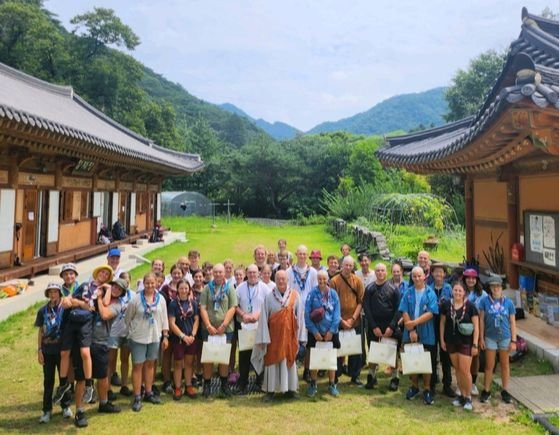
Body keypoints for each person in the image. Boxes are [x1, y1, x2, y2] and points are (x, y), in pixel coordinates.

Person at [54, 264, 113, 406]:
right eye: (102, 272)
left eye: (106, 275)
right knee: (64, 354)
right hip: (72, 320)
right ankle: (63, 385)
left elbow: (105, 303)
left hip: (86, 322)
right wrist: (81, 303)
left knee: (85, 353)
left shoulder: (104, 291)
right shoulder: (85, 285)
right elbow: (70, 300)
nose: (103, 275)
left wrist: (108, 289)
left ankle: (89, 385)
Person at [72, 278, 123, 427]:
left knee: (102, 376)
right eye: (114, 286)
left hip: (100, 343)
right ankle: (79, 411)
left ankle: (104, 403)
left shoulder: (118, 305)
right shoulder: (93, 292)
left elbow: (105, 314)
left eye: (119, 290)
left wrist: (100, 298)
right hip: (83, 341)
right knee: (81, 378)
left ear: (121, 294)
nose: (115, 290)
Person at [251, 270, 305, 402]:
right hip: (273, 338)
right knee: (272, 363)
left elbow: (300, 318)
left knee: (288, 362)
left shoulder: (295, 296)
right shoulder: (269, 297)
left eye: (283, 279)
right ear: (275, 280)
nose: (281, 281)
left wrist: (301, 338)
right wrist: (263, 339)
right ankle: (270, 390)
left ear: (288, 280)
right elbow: (263, 319)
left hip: (289, 337)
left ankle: (290, 389)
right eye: (278, 279)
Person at [125, 273, 169, 412]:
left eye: (152, 283)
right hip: (139, 337)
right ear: (143, 283)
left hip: (154, 337)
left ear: (156, 283)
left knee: (150, 364)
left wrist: (165, 335)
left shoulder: (160, 299)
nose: (150, 285)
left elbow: (164, 318)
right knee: (138, 366)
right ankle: (137, 395)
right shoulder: (136, 300)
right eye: (147, 283)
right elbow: (128, 318)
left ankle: (149, 392)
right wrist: (132, 332)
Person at [399, 266, 439, 405]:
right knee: (412, 359)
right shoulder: (408, 293)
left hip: (427, 331)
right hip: (410, 332)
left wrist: (414, 322)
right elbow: (404, 310)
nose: (417, 278)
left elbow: (431, 312)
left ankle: (427, 389)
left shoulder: (430, 293)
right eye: (414, 276)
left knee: (426, 360)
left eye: (419, 276)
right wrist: (411, 329)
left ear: (424, 277)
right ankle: (414, 386)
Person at [36, 283, 72, 423]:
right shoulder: (42, 311)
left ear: (59, 293)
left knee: (64, 380)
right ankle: (46, 410)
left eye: (55, 292)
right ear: (47, 294)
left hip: (62, 352)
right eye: (50, 292)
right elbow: (40, 331)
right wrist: (39, 350)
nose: (53, 295)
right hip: (48, 351)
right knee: (48, 381)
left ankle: (66, 406)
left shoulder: (65, 309)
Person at [199, 263, 238, 398]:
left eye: (220, 272)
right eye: (216, 272)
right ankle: (207, 384)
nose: (218, 275)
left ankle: (224, 384)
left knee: (223, 357)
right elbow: (203, 307)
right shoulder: (206, 289)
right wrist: (209, 325)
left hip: (225, 330)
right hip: (208, 329)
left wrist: (224, 325)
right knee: (208, 358)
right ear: (212, 273)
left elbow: (233, 307)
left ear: (224, 274)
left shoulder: (229, 288)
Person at [440, 281, 479, 411]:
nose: (457, 293)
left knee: (465, 370)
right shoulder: (446, 305)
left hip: (466, 343)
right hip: (451, 342)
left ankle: (468, 397)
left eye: (460, 291)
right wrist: (442, 340)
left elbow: (477, 327)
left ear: (464, 292)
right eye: (455, 290)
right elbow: (442, 323)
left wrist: (475, 344)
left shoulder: (471, 306)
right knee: (457, 369)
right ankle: (461, 394)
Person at [479, 275, 517, 404]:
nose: (495, 289)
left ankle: (505, 390)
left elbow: (512, 322)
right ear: (489, 288)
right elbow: (481, 321)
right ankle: (486, 390)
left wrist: (514, 340)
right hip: (490, 337)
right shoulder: (484, 301)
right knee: (489, 365)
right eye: (493, 286)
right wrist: (481, 338)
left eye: (498, 287)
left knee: (505, 364)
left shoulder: (509, 302)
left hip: (505, 337)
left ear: (502, 288)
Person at [362, 263, 401, 391]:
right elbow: (366, 308)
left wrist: (391, 326)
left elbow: (398, 309)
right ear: (375, 272)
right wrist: (373, 326)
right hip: (374, 326)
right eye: (378, 270)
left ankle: (395, 378)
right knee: (373, 352)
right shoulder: (369, 289)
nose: (380, 273)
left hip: (390, 326)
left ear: (386, 272)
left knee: (392, 352)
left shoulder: (394, 289)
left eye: (382, 270)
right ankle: (371, 376)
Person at [305, 270, 342, 397]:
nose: (322, 281)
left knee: (331, 358)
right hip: (315, 333)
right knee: (314, 359)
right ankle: (313, 383)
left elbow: (337, 315)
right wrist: (314, 332)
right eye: (319, 279)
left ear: (328, 280)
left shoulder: (334, 294)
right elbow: (307, 314)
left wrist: (331, 331)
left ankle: (332, 384)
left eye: (324, 279)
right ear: (317, 279)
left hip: (331, 333)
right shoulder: (312, 294)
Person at [330, 256, 364, 385]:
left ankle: (355, 375)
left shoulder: (357, 281)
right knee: (338, 348)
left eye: (350, 265)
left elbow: (360, 301)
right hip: (338, 321)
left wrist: (353, 318)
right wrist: (342, 321)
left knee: (355, 350)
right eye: (346, 265)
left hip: (354, 321)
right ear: (341, 266)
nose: (348, 268)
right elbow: (331, 304)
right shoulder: (334, 281)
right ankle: (336, 375)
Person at [235, 264, 268, 394]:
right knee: (244, 356)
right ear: (246, 274)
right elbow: (234, 305)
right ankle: (242, 383)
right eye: (250, 273)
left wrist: (256, 316)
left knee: (260, 355)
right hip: (245, 327)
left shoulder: (264, 288)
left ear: (258, 274)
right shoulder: (240, 288)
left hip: (259, 326)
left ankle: (260, 381)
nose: (252, 275)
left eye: (254, 273)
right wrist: (243, 314)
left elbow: (267, 305)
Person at [287, 245, 318, 382]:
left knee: (309, 343)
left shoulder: (313, 272)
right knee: (292, 340)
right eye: (300, 253)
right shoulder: (289, 271)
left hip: (309, 312)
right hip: (293, 312)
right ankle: (291, 369)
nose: (302, 256)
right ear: (296, 254)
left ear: (307, 256)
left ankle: (306, 370)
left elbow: (316, 290)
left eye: (305, 254)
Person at [168, 279, 199, 400]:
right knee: (178, 363)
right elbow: (172, 323)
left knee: (189, 363)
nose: (184, 290)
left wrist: (193, 335)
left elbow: (196, 319)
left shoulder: (194, 303)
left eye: (186, 288)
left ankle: (189, 385)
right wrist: (182, 336)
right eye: (181, 288)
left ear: (189, 290)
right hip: (178, 339)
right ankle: (177, 387)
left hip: (191, 338)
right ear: (177, 290)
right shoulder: (173, 304)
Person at [107, 277, 134, 399]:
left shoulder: (133, 295)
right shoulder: (110, 296)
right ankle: (107, 388)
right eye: (115, 286)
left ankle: (124, 385)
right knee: (110, 360)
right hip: (113, 332)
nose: (117, 289)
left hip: (127, 331)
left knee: (125, 359)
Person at [430, 262, 454, 397]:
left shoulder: (449, 288)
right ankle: (432, 383)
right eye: (436, 271)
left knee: (445, 355)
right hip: (432, 324)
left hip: (446, 325)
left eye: (441, 272)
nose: (438, 274)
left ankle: (447, 385)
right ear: (432, 273)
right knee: (432, 354)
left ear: (445, 274)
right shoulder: (428, 288)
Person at [159, 264, 184, 394]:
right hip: (168, 326)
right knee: (167, 355)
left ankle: (178, 380)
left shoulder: (185, 287)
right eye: (174, 273)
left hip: (182, 327)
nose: (176, 275)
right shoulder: (165, 289)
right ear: (171, 274)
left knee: (179, 356)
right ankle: (167, 380)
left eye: (179, 273)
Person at [462, 268, 486, 396]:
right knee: (462, 356)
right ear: (464, 279)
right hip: (462, 328)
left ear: (477, 280)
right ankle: (462, 383)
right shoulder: (460, 291)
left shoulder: (483, 295)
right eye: (468, 278)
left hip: (477, 328)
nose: (471, 280)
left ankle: (473, 383)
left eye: (473, 278)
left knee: (475, 356)